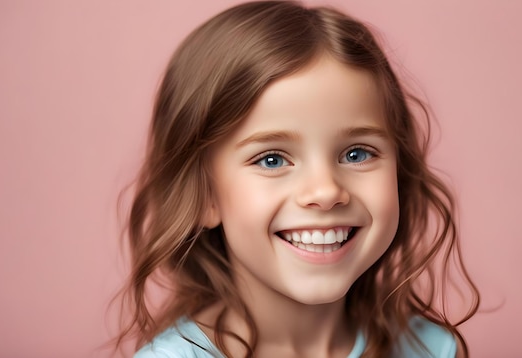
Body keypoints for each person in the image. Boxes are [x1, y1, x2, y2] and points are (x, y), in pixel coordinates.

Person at [115, 1, 479, 357]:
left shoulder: (434, 350)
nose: (325, 192)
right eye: (272, 159)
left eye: (357, 154)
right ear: (204, 195)